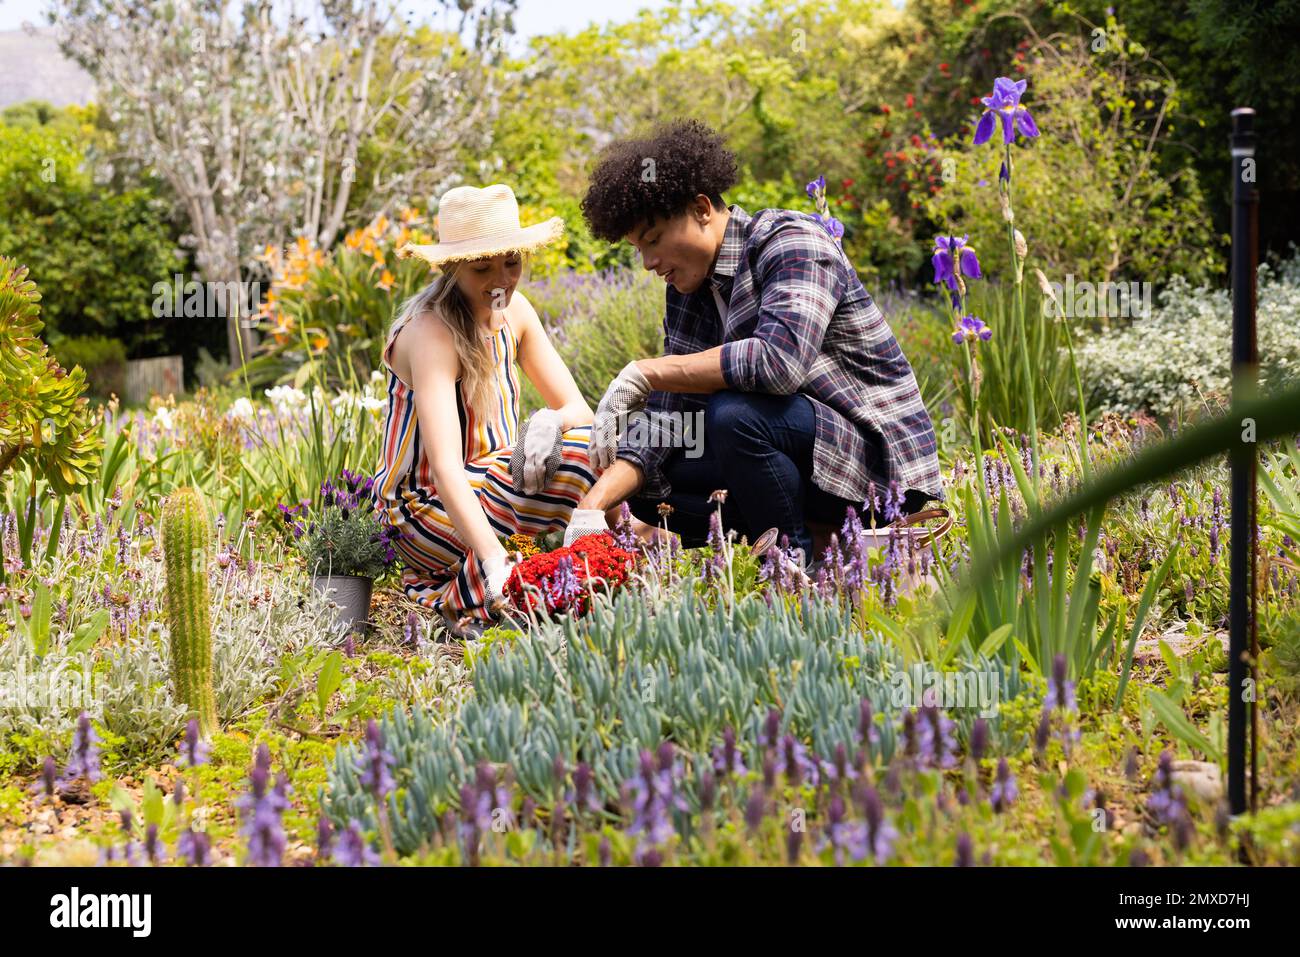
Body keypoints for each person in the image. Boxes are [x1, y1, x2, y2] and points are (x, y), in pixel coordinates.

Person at [563, 119, 944, 566]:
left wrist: (643, 372)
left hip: (873, 466)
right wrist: (593, 504)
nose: (648, 262)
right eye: (637, 249)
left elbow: (778, 363)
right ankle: (820, 539)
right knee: (646, 482)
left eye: (653, 240)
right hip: (794, 461)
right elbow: (668, 419)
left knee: (734, 415)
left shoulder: (791, 241)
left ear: (702, 208)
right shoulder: (688, 294)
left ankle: (793, 571)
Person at [372, 184, 597, 638]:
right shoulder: (432, 332)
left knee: (601, 447)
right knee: (578, 464)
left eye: (512, 262)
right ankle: (480, 587)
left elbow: (582, 412)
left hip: (492, 482)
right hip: (421, 508)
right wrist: (495, 563)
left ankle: (607, 563)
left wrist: (549, 423)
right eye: (482, 268)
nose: (502, 280)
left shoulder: (517, 315)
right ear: (452, 268)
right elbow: (447, 471)